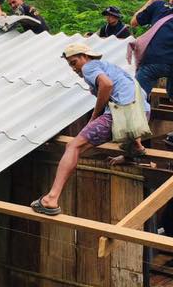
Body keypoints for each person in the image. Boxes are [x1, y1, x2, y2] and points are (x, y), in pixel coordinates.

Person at [32, 44, 149, 215]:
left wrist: (95, 115)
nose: (74, 68)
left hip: (120, 114)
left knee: (73, 147)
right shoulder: (111, 67)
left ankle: (51, 198)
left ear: (85, 57)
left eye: (74, 62)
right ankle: (136, 148)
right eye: (70, 65)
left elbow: (106, 85)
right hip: (142, 113)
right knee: (125, 130)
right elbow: (136, 93)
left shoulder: (89, 67)